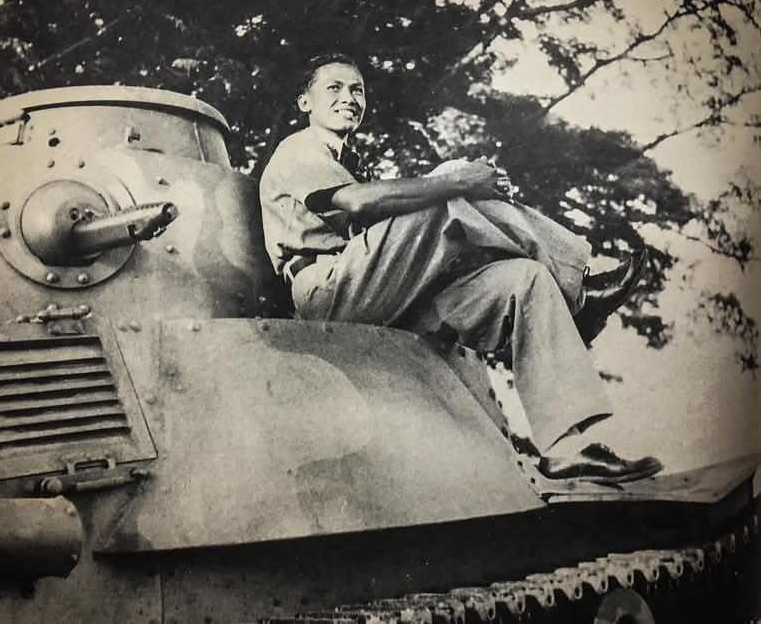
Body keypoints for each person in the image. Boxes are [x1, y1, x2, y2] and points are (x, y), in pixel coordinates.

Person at [259, 53, 662, 484]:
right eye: (334, 88)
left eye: (357, 89)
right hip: (328, 293)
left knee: (526, 280)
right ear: (305, 102)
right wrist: (461, 182)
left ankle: (565, 449)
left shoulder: (348, 162)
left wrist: (470, 193)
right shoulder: (298, 150)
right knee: (452, 179)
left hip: (383, 295)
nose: (349, 98)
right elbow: (357, 203)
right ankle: (579, 292)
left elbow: (394, 237)